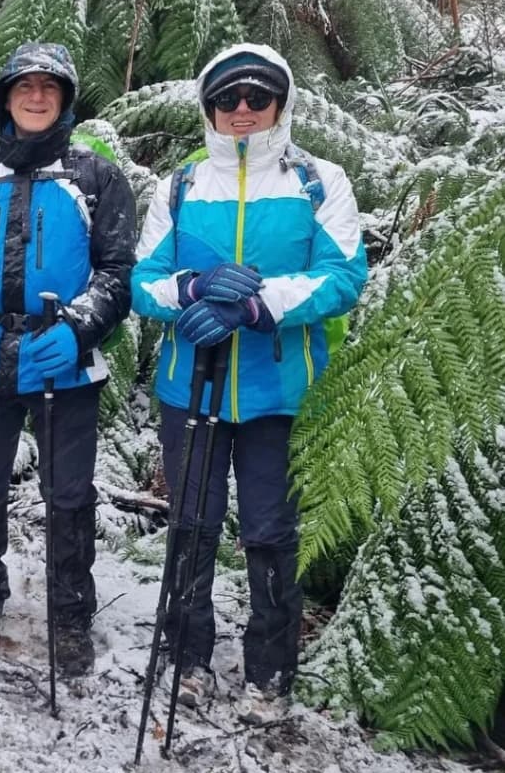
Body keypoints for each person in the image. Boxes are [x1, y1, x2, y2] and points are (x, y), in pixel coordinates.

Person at [131, 43, 367, 722]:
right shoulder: (178, 185)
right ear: (207, 105)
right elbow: (144, 283)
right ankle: (186, 658)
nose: (241, 110)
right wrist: (193, 290)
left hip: (280, 392)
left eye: (256, 97)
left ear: (279, 104)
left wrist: (258, 305)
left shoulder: (318, 182)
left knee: (270, 533)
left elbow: (343, 275)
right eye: (226, 98)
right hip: (190, 388)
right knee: (192, 527)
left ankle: (269, 671)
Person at [0, 42, 137, 675]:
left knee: (68, 495)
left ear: (66, 99)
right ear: (6, 99)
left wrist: (79, 329)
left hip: (63, 361)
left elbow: (119, 271)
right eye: (25, 88)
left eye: (49, 87)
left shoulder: (97, 178)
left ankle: (70, 613)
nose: (37, 97)